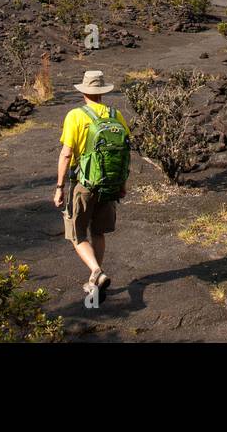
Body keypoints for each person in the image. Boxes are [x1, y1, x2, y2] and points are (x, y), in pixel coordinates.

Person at [53, 70, 130, 302]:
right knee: (98, 232)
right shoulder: (116, 116)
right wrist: (122, 183)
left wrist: (59, 187)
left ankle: (96, 271)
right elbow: (124, 152)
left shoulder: (75, 116)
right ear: (103, 92)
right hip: (109, 184)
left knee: (76, 234)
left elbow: (66, 155)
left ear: (84, 91)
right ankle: (94, 279)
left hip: (84, 184)